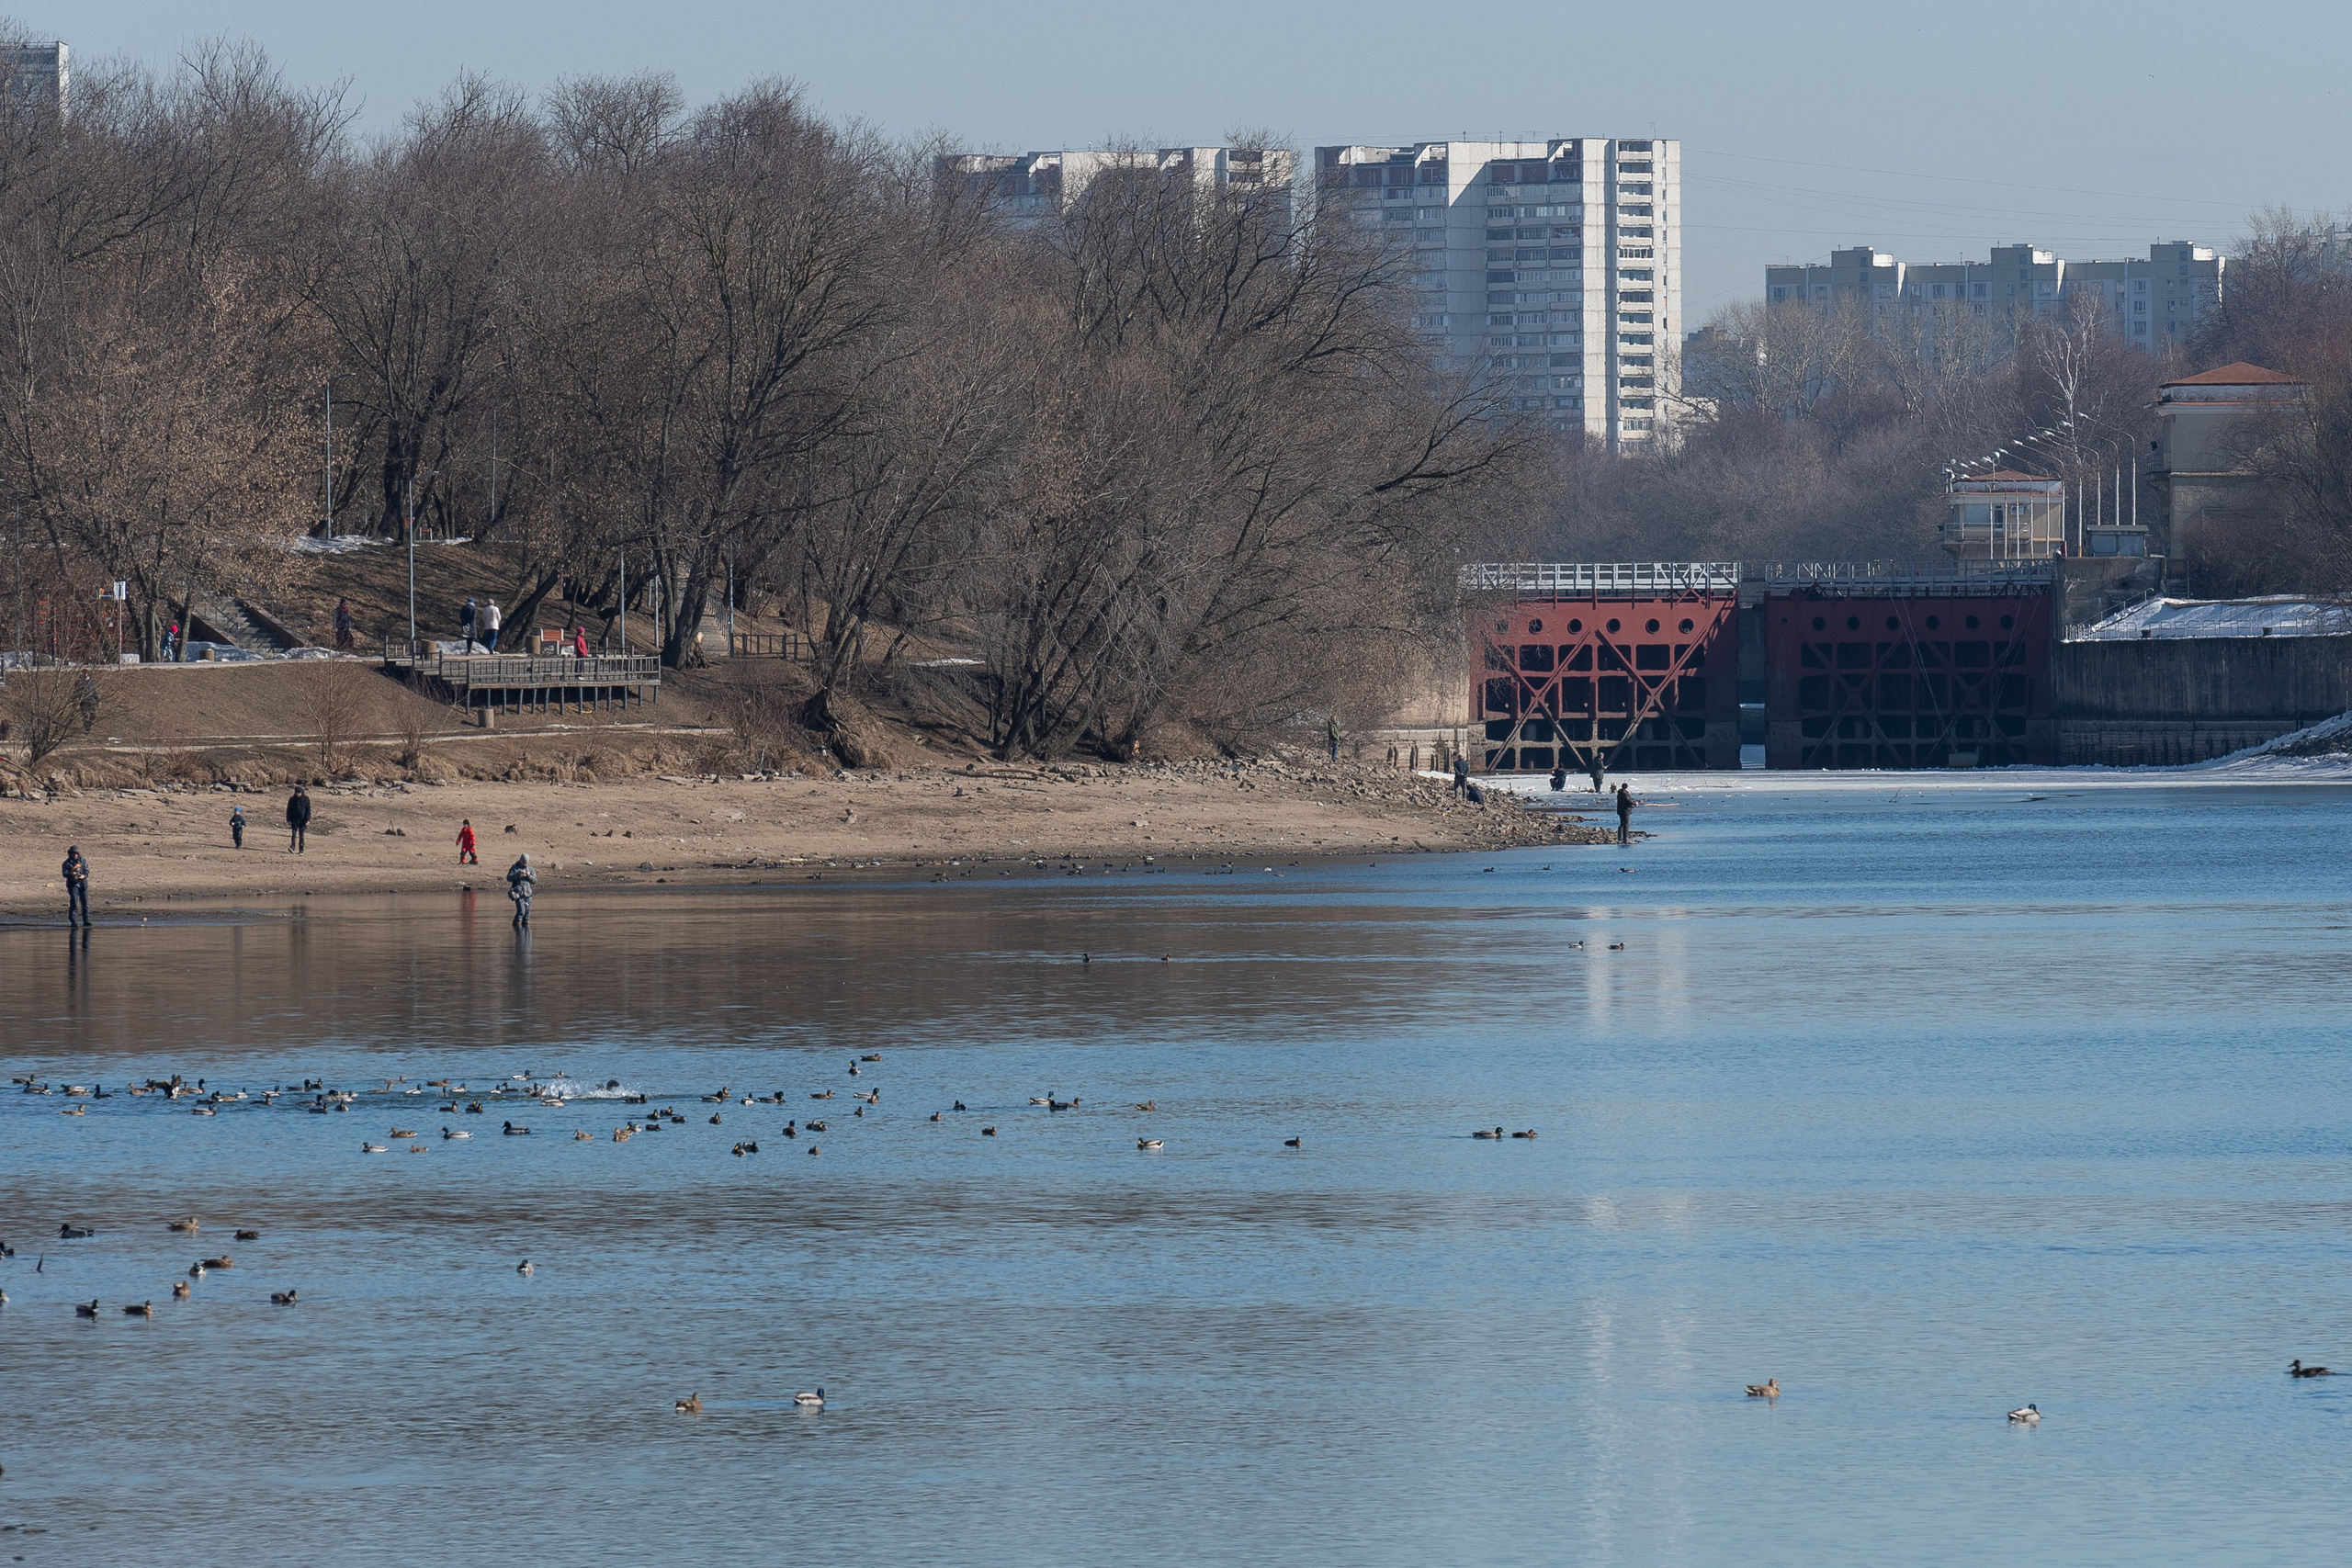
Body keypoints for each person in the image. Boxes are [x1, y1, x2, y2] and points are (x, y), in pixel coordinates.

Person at [62, 845, 89, 927]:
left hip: (83, 884)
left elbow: (86, 870)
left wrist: (83, 876)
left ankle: (86, 921)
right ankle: (73, 921)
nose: (75, 855)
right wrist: (71, 874)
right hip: (72, 885)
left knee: (85, 903)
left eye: (76, 853)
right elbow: (64, 874)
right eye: (73, 854)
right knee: (74, 903)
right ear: (70, 854)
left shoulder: (83, 860)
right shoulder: (66, 863)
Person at [506, 852, 535, 927]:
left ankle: (526, 930)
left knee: (527, 914)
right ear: (521, 860)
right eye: (524, 862)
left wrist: (529, 876)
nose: (525, 864)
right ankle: (516, 927)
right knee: (521, 912)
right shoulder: (514, 868)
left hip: (528, 895)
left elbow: (535, 881)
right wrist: (518, 873)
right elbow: (509, 878)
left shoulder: (530, 869)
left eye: (527, 862)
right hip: (519, 895)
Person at [286, 784, 312, 854]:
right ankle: (292, 848)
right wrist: (288, 819)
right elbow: (289, 810)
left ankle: (301, 849)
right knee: (293, 834)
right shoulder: (292, 800)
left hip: (303, 820)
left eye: (299, 793)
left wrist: (308, 820)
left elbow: (308, 811)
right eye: (297, 793)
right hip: (294, 819)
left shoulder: (306, 799)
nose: (298, 794)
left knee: (301, 835)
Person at [1615, 782, 1635, 847]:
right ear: (1627, 787)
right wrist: (1634, 803)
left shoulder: (1619, 793)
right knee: (1626, 824)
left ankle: (1620, 838)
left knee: (1622, 824)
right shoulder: (1625, 793)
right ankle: (1625, 839)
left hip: (1620, 810)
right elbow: (1628, 801)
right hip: (1625, 811)